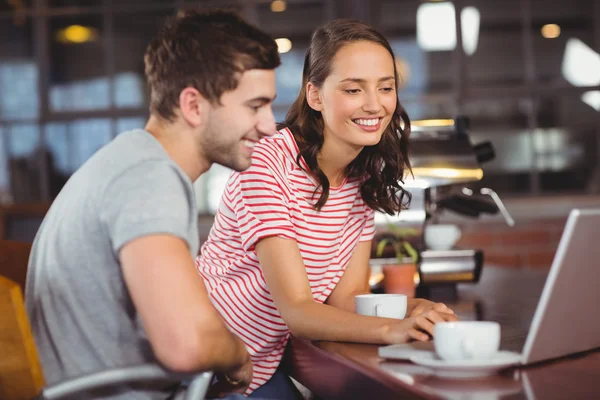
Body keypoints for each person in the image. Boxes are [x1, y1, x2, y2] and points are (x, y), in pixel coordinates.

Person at [196, 18, 459, 398]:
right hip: (207, 368)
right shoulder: (268, 163)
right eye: (353, 89)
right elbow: (299, 312)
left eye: (386, 88)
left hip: (261, 363)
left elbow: (346, 299)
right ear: (315, 96)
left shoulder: (360, 177)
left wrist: (415, 309)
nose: (375, 105)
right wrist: (391, 329)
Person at [25, 9, 280, 399]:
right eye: (255, 106)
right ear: (193, 106)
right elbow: (186, 344)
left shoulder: (128, 162)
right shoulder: (148, 177)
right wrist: (237, 354)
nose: (269, 125)